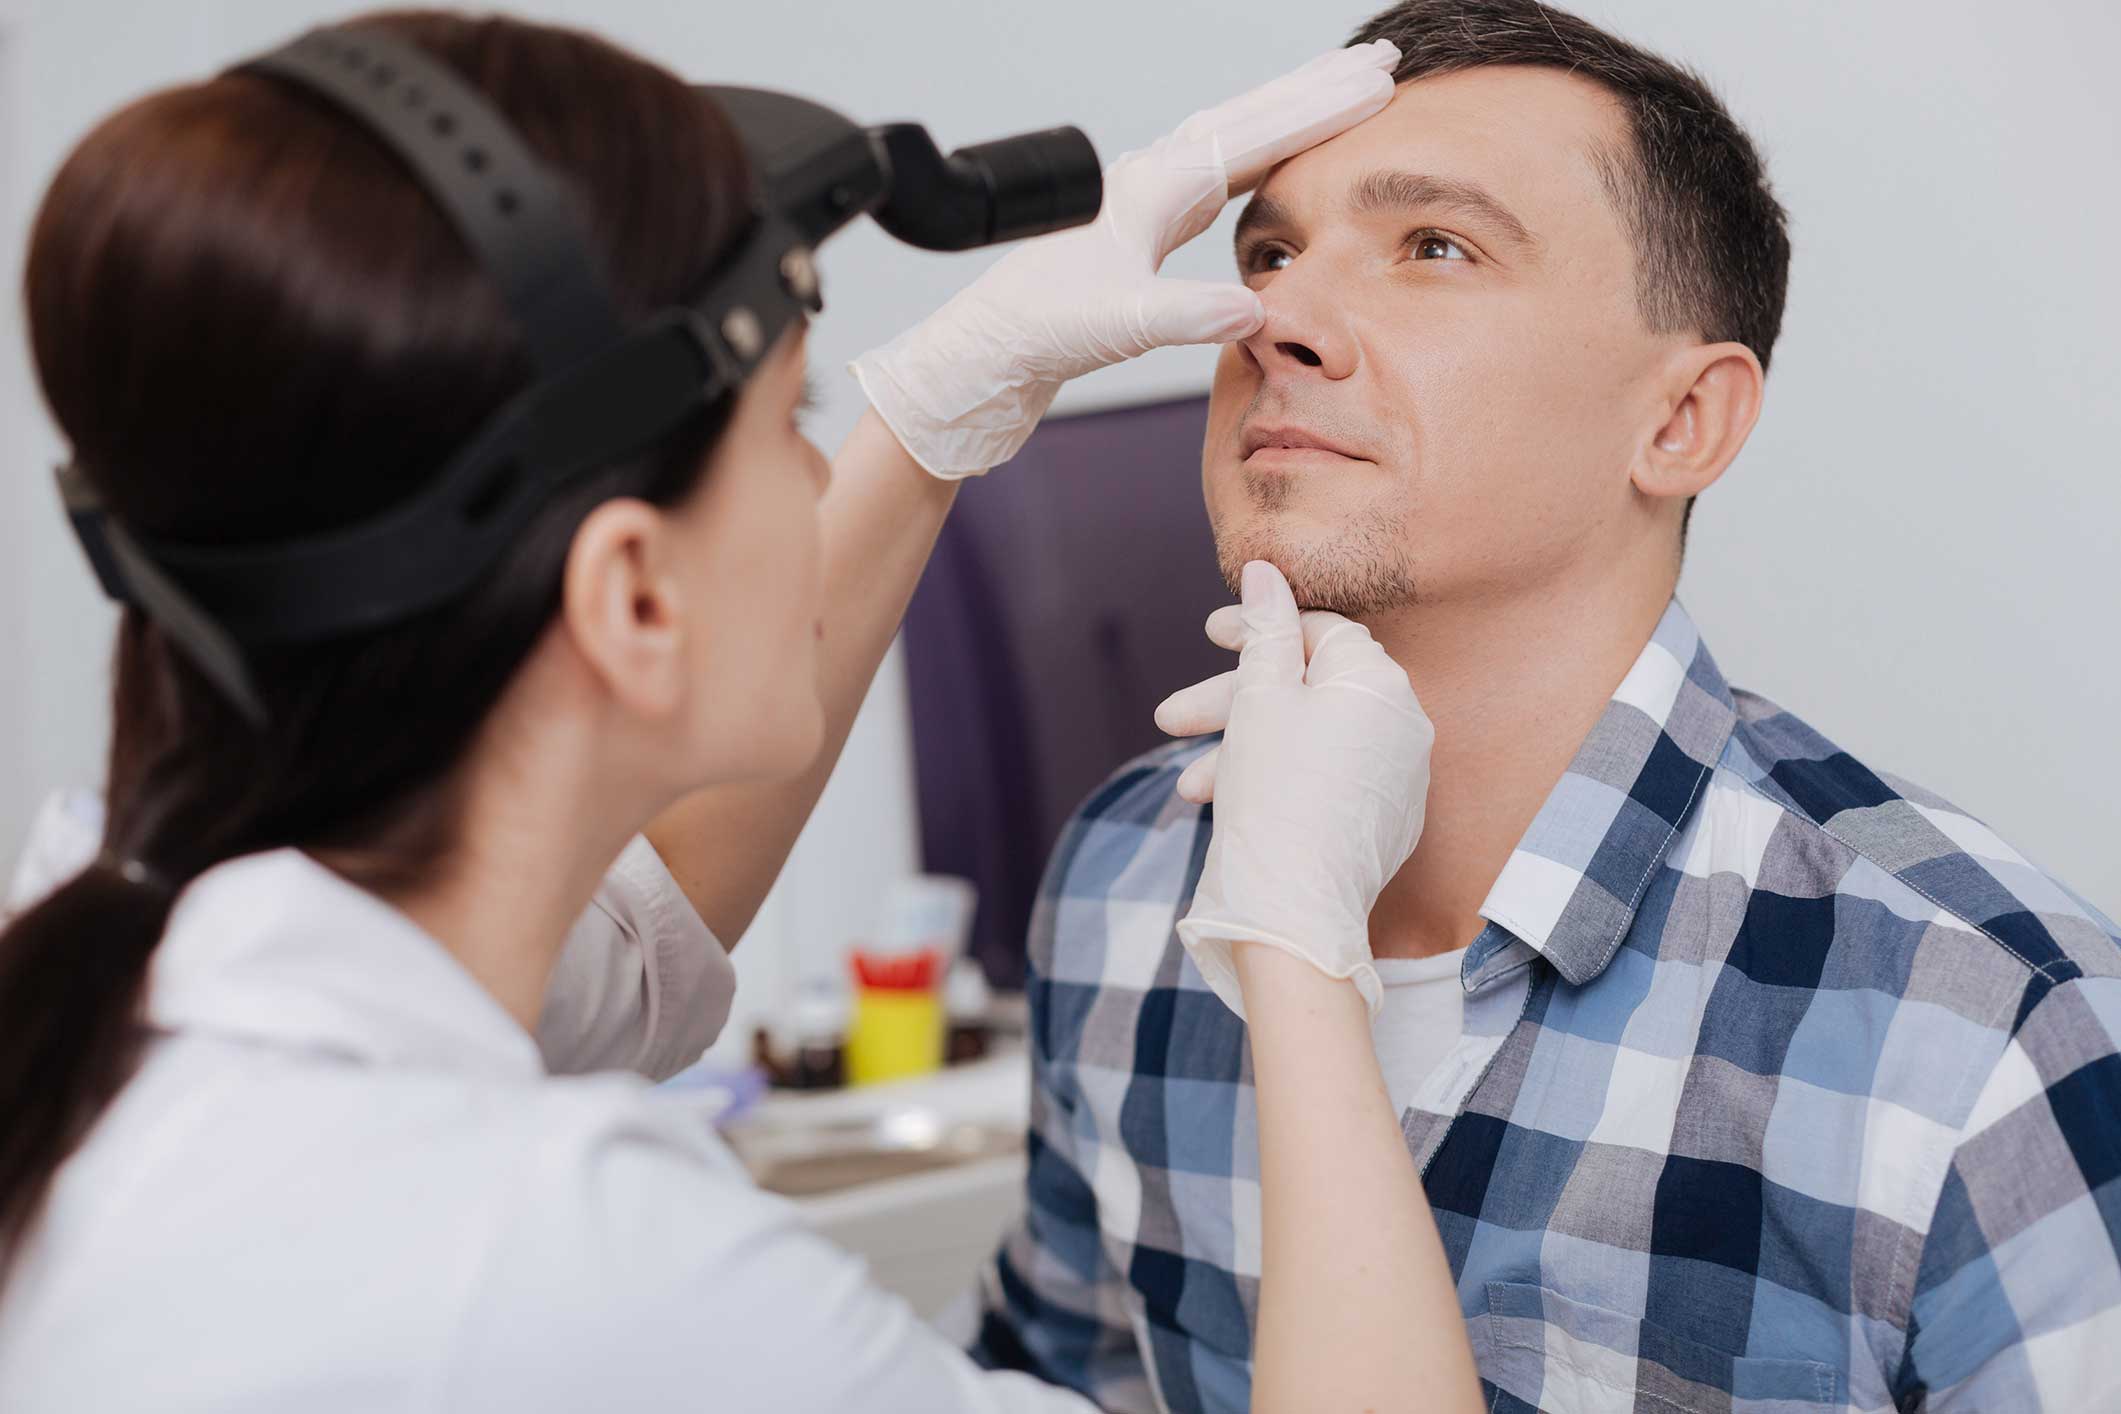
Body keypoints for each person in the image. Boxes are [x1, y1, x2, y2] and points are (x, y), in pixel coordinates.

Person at [0, 13, 1486, 1412]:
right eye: (792, 423)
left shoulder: (107, 960)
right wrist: (1297, 954)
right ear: (634, 598)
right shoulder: (572, 1262)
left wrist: (933, 410)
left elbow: (620, 965)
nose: (816, 478)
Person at [971, 2, 2121, 1411]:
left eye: (1434, 247)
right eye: (1266, 250)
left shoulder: (1988, 1033)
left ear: (1680, 421)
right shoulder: (1119, 872)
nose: (1273, 317)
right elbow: (1054, 1379)